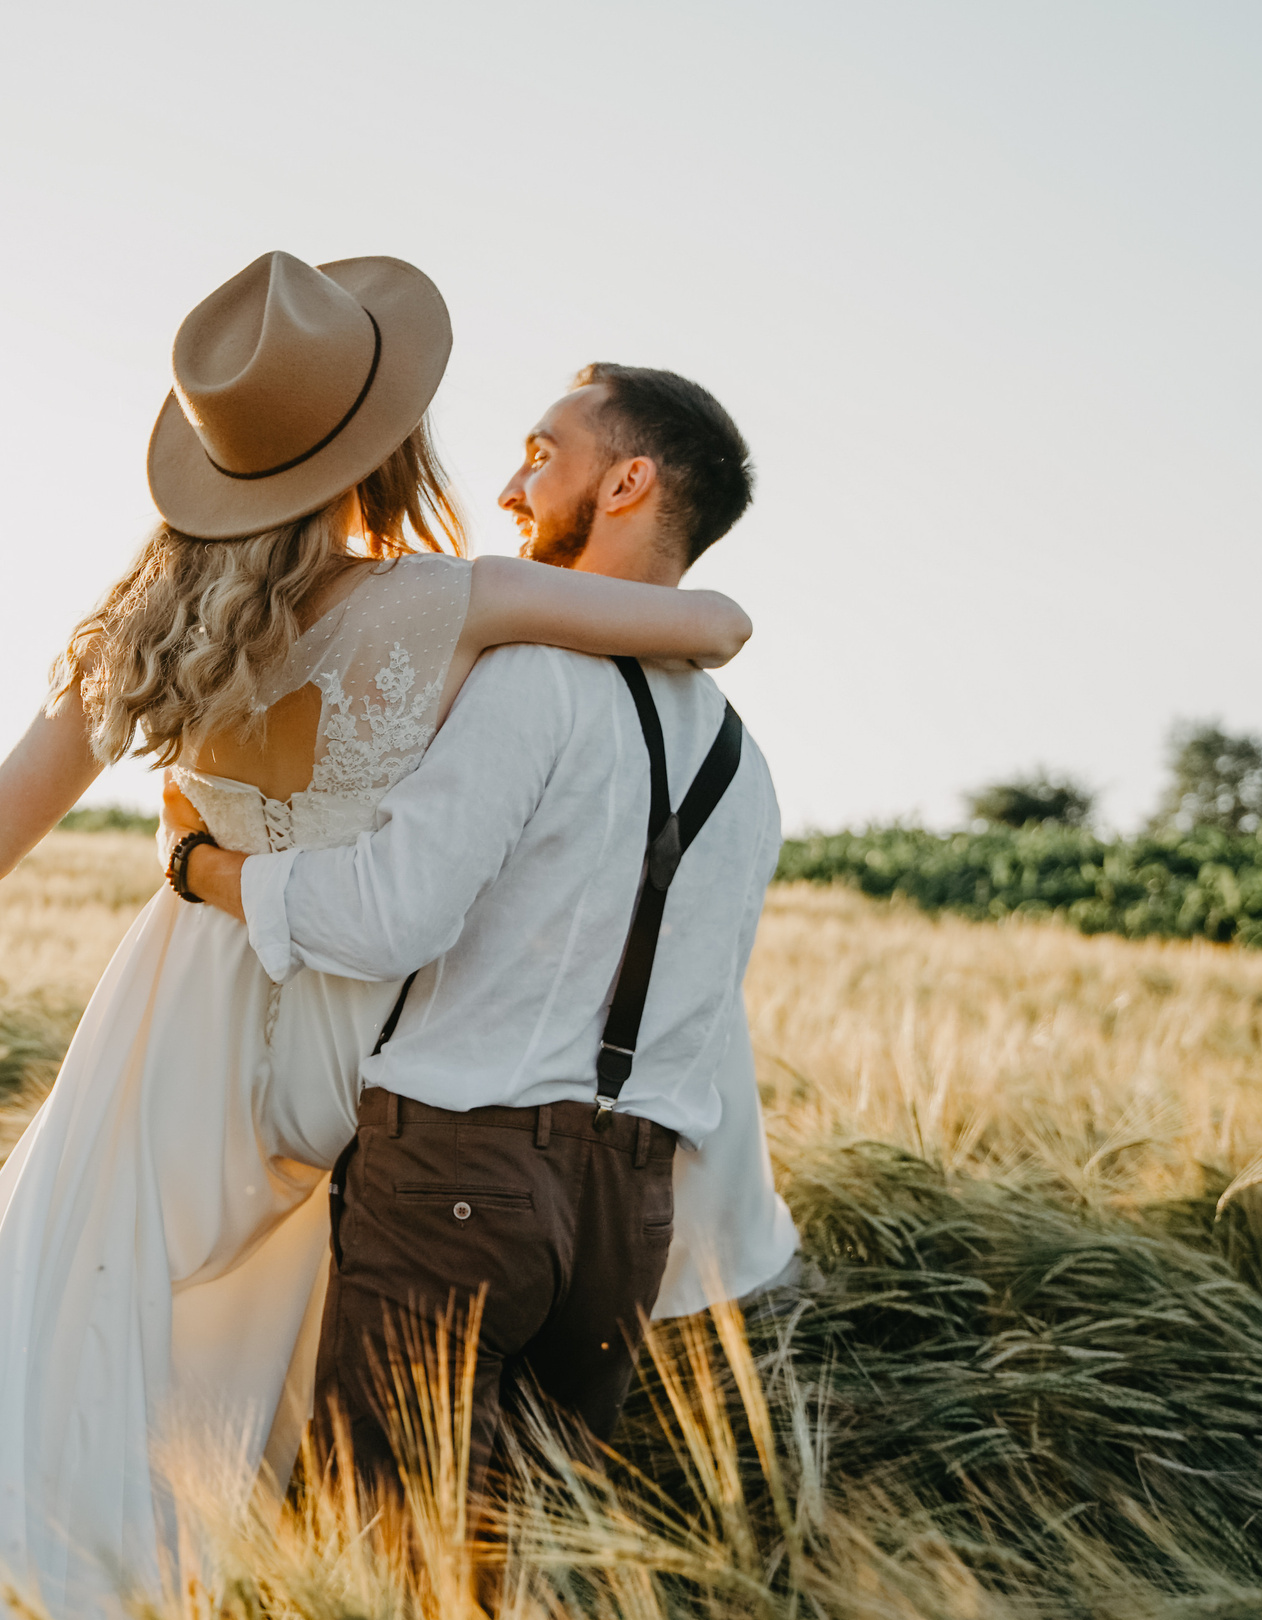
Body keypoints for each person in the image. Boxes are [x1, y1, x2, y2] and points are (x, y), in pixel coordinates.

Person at [0, 253, 756, 1620]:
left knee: (98, 1326)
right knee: (276, 1373)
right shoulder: (449, 600)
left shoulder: (152, 624)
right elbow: (711, 627)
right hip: (362, 1033)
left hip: (180, 1008)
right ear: (393, 437)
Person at [168, 361, 800, 1503]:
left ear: (629, 482)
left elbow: (383, 920)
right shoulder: (744, 764)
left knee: (379, 1551)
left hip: (458, 1178)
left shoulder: (527, 680)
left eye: (544, 451)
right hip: (628, 1217)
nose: (512, 484)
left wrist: (203, 868)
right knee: (516, 1574)